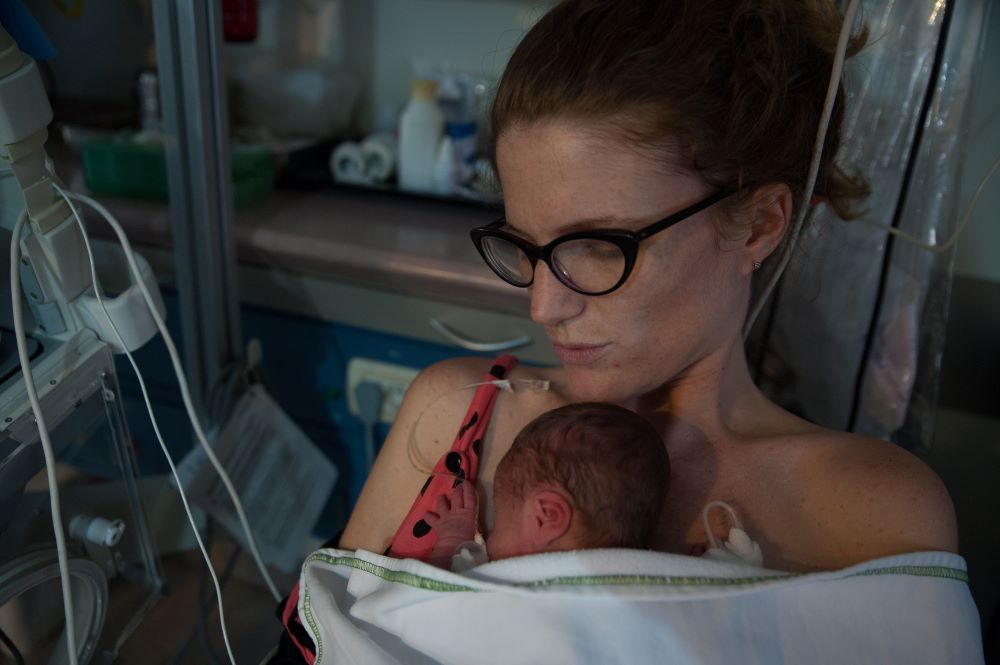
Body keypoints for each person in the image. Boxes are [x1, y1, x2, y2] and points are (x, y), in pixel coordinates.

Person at [269, 0, 958, 660]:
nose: (543, 307)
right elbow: (320, 640)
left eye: (599, 246)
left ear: (759, 223)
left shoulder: (870, 514)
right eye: (528, 247)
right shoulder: (457, 417)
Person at [423, 402, 671, 570]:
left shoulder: (509, 580)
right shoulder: (654, 582)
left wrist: (451, 540)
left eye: (498, 521)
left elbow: (428, 601)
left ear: (546, 515)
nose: (488, 536)